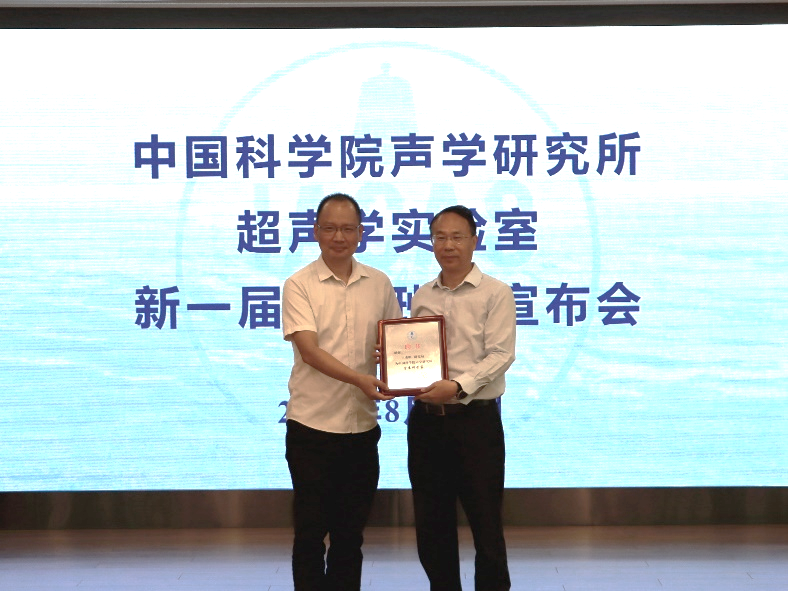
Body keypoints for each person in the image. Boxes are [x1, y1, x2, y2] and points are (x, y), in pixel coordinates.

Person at [282, 192, 402, 591]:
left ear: (361, 233)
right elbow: (310, 351)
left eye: (348, 229)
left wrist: (396, 360)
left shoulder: (379, 283)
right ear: (316, 231)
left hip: (361, 429)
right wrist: (360, 379)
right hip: (312, 428)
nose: (339, 237)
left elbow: (396, 341)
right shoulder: (299, 284)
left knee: (351, 537)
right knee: (310, 534)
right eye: (330, 228)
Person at [408, 205, 517, 591]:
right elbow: (415, 353)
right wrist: (394, 365)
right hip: (426, 423)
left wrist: (457, 387)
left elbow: (501, 355)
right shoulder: (422, 295)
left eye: (457, 237)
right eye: (440, 237)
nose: (448, 245)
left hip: (476, 422)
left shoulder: (496, 293)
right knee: (431, 525)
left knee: (486, 525)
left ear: (474, 240)